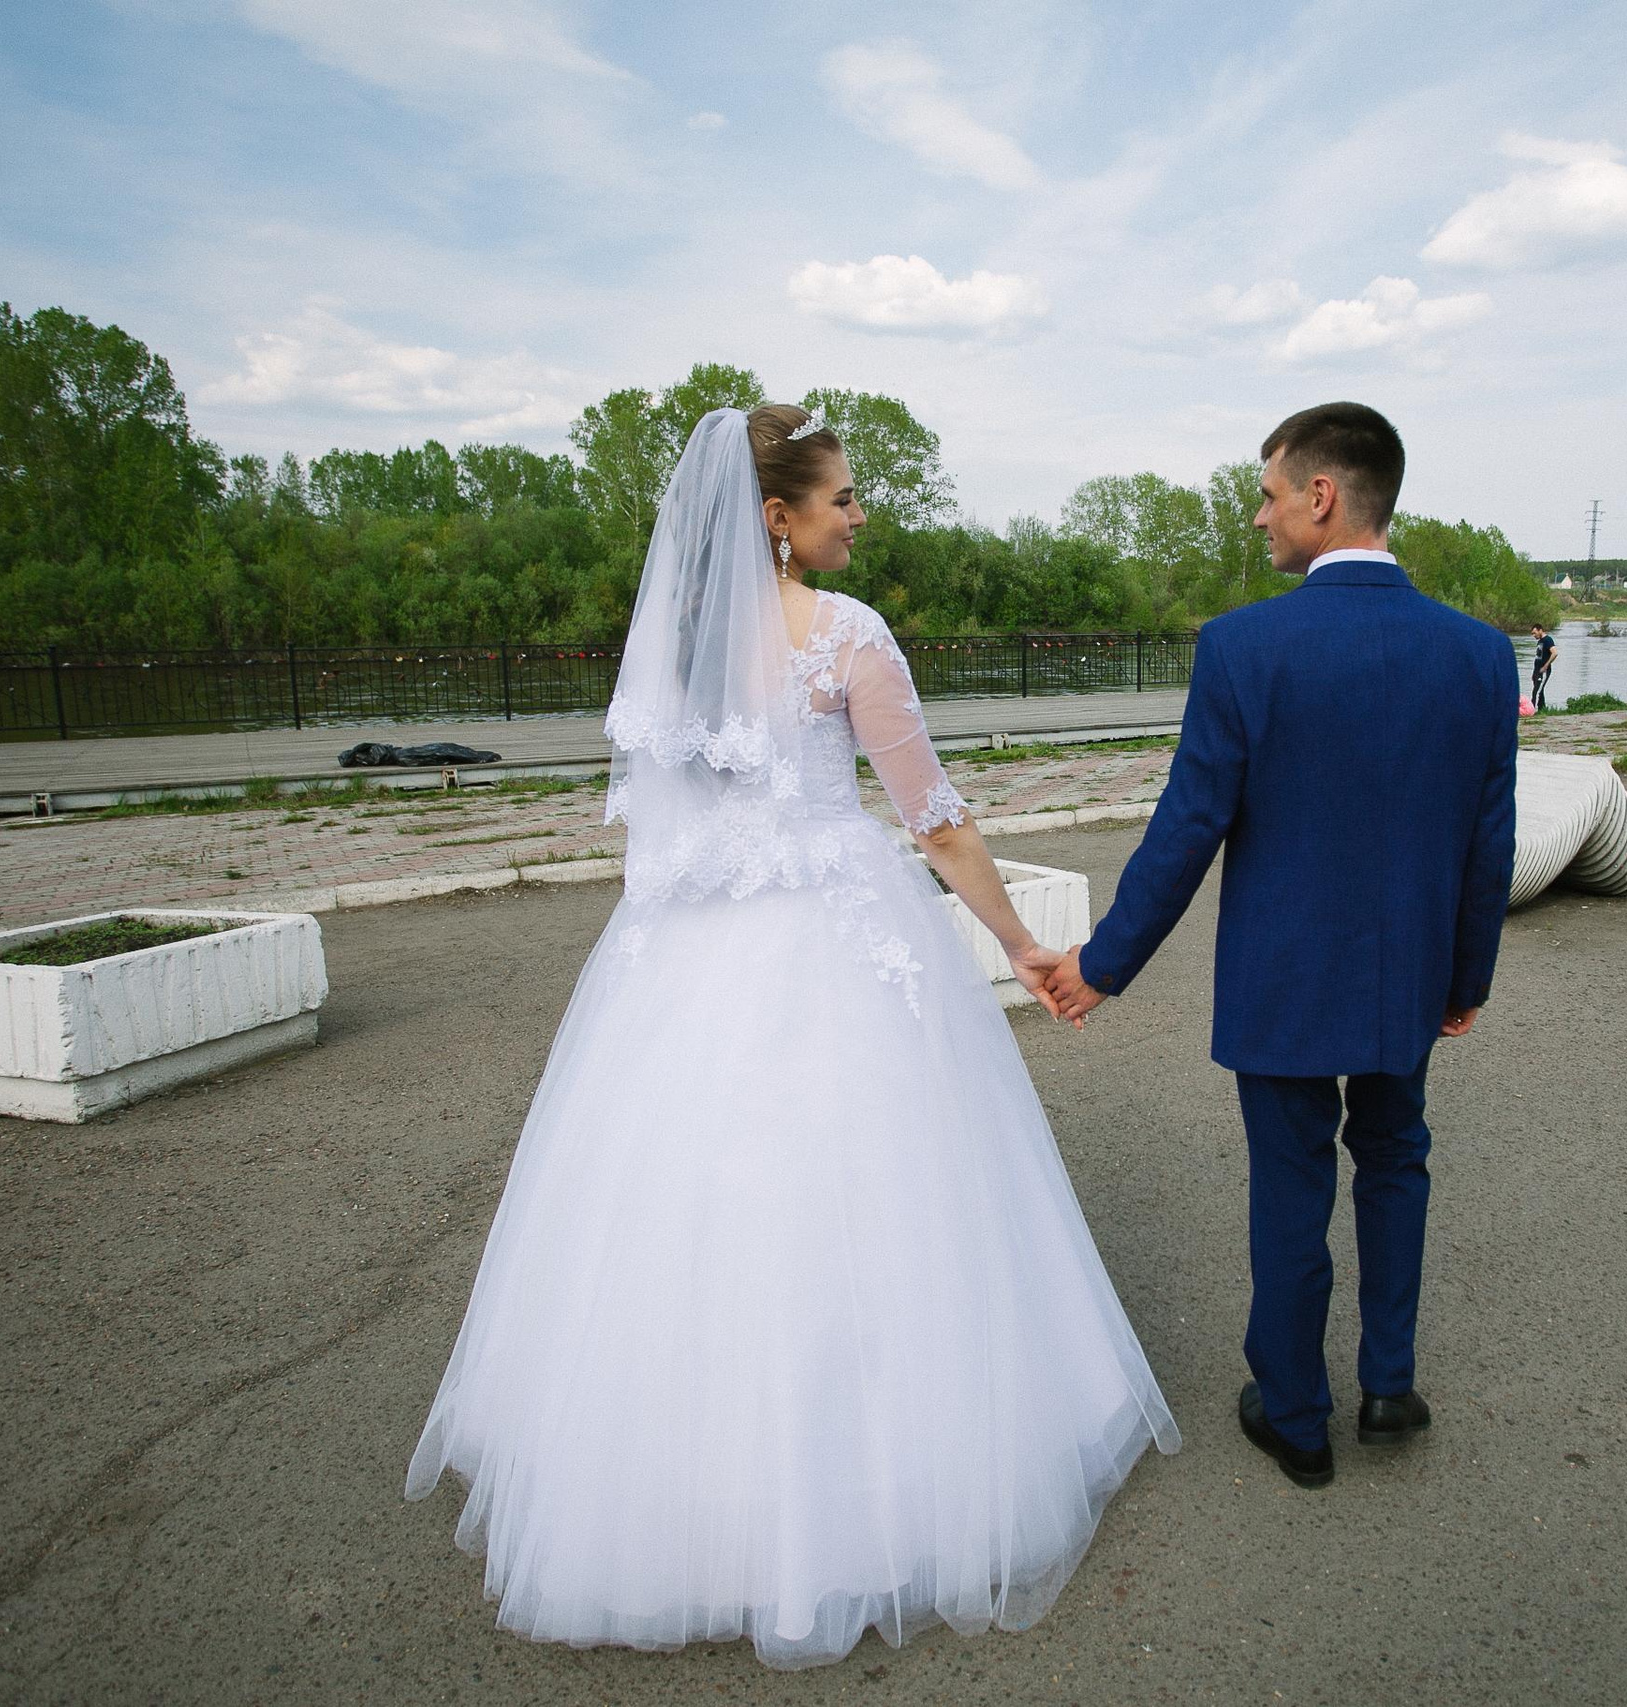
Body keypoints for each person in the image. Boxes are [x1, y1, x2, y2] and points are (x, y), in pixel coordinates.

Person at [406, 407, 1179, 1669]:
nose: (858, 513)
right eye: (840, 498)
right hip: (828, 921)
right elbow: (932, 819)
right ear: (777, 518)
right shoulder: (847, 637)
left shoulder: (683, 645)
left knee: (684, 1197)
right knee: (856, 1184)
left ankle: (673, 1496)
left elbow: (664, 817)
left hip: (691, 946)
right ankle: (860, 1488)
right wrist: (1020, 946)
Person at [1046, 402, 1517, 1488]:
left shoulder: (1243, 647)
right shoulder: (1480, 656)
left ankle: (1296, 1415)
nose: (1256, 519)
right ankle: (1389, 1383)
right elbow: (1484, 839)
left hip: (1286, 979)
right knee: (1397, 1157)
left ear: (1320, 496)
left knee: (1291, 1182)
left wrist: (1100, 966)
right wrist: (1466, 975)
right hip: (1411, 979)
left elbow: (1187, 828)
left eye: (1265, 495)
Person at [1530, 622, 1557, 712]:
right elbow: (1538, 657)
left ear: (1540, 630)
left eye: (1535, 633)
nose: (1534, 635)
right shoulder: (1540, 641)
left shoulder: (1547, 640)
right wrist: (1534, 673)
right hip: (1537, 670)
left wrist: (1546, 665)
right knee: (1539, 691)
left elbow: (1554, 653)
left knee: (1536, 692)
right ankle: (1542, 709)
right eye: (1532, 634)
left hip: (1543, 671)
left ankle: (1531, 711)